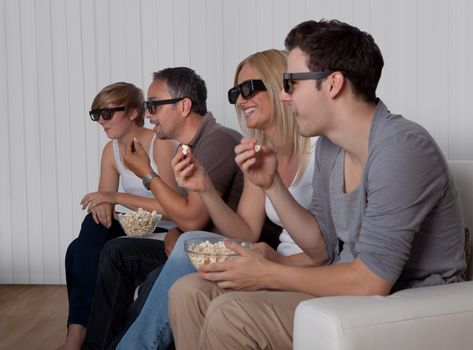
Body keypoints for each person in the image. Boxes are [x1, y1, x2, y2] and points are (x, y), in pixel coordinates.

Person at [168, 19, 467, 350]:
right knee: (189, 292)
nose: (283, 97)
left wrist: (268, 273)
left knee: (232, 314)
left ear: (333, 84)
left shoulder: (402, 148)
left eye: (291, 83)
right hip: (349, 289)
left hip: (408, 302)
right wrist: (272, 185)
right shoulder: (330, 147)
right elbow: (321, 247)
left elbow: (371, 281)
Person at [114, 49, 316, 350]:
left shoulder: (316, 147)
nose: (240, 100)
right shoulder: (257, 150)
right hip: (265, 252)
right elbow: (245, 230)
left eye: (248, 89)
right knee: (127, 256)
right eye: (235, 92)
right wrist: (205, 188)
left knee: (179, 247)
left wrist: (147, 175)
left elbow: (328, 248)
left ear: (278, 85)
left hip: (291, 260)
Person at [81, 67, 246, 350]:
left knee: (150, 282)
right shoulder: (188, 145)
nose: (147, 114)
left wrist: (146, 174)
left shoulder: (217, 139)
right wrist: (179, 232)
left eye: (153, 105)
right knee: (115, 250)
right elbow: (192, 217)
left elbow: (194, 218)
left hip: (223, 246)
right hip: (197, 240)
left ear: (183, 106)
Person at [61, 82, 179, 350]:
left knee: (77, 249)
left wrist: (114, 199)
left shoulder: (160, 144)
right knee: (79, 245)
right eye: (96, 114)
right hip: (135, 229)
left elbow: (174, 206)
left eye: (108, 113)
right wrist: (105, 204)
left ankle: (81, 337)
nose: (101, 121)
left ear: (134, 112)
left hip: (167, 233)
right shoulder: (111, 151)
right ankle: (77, 331)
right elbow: (104, 204)